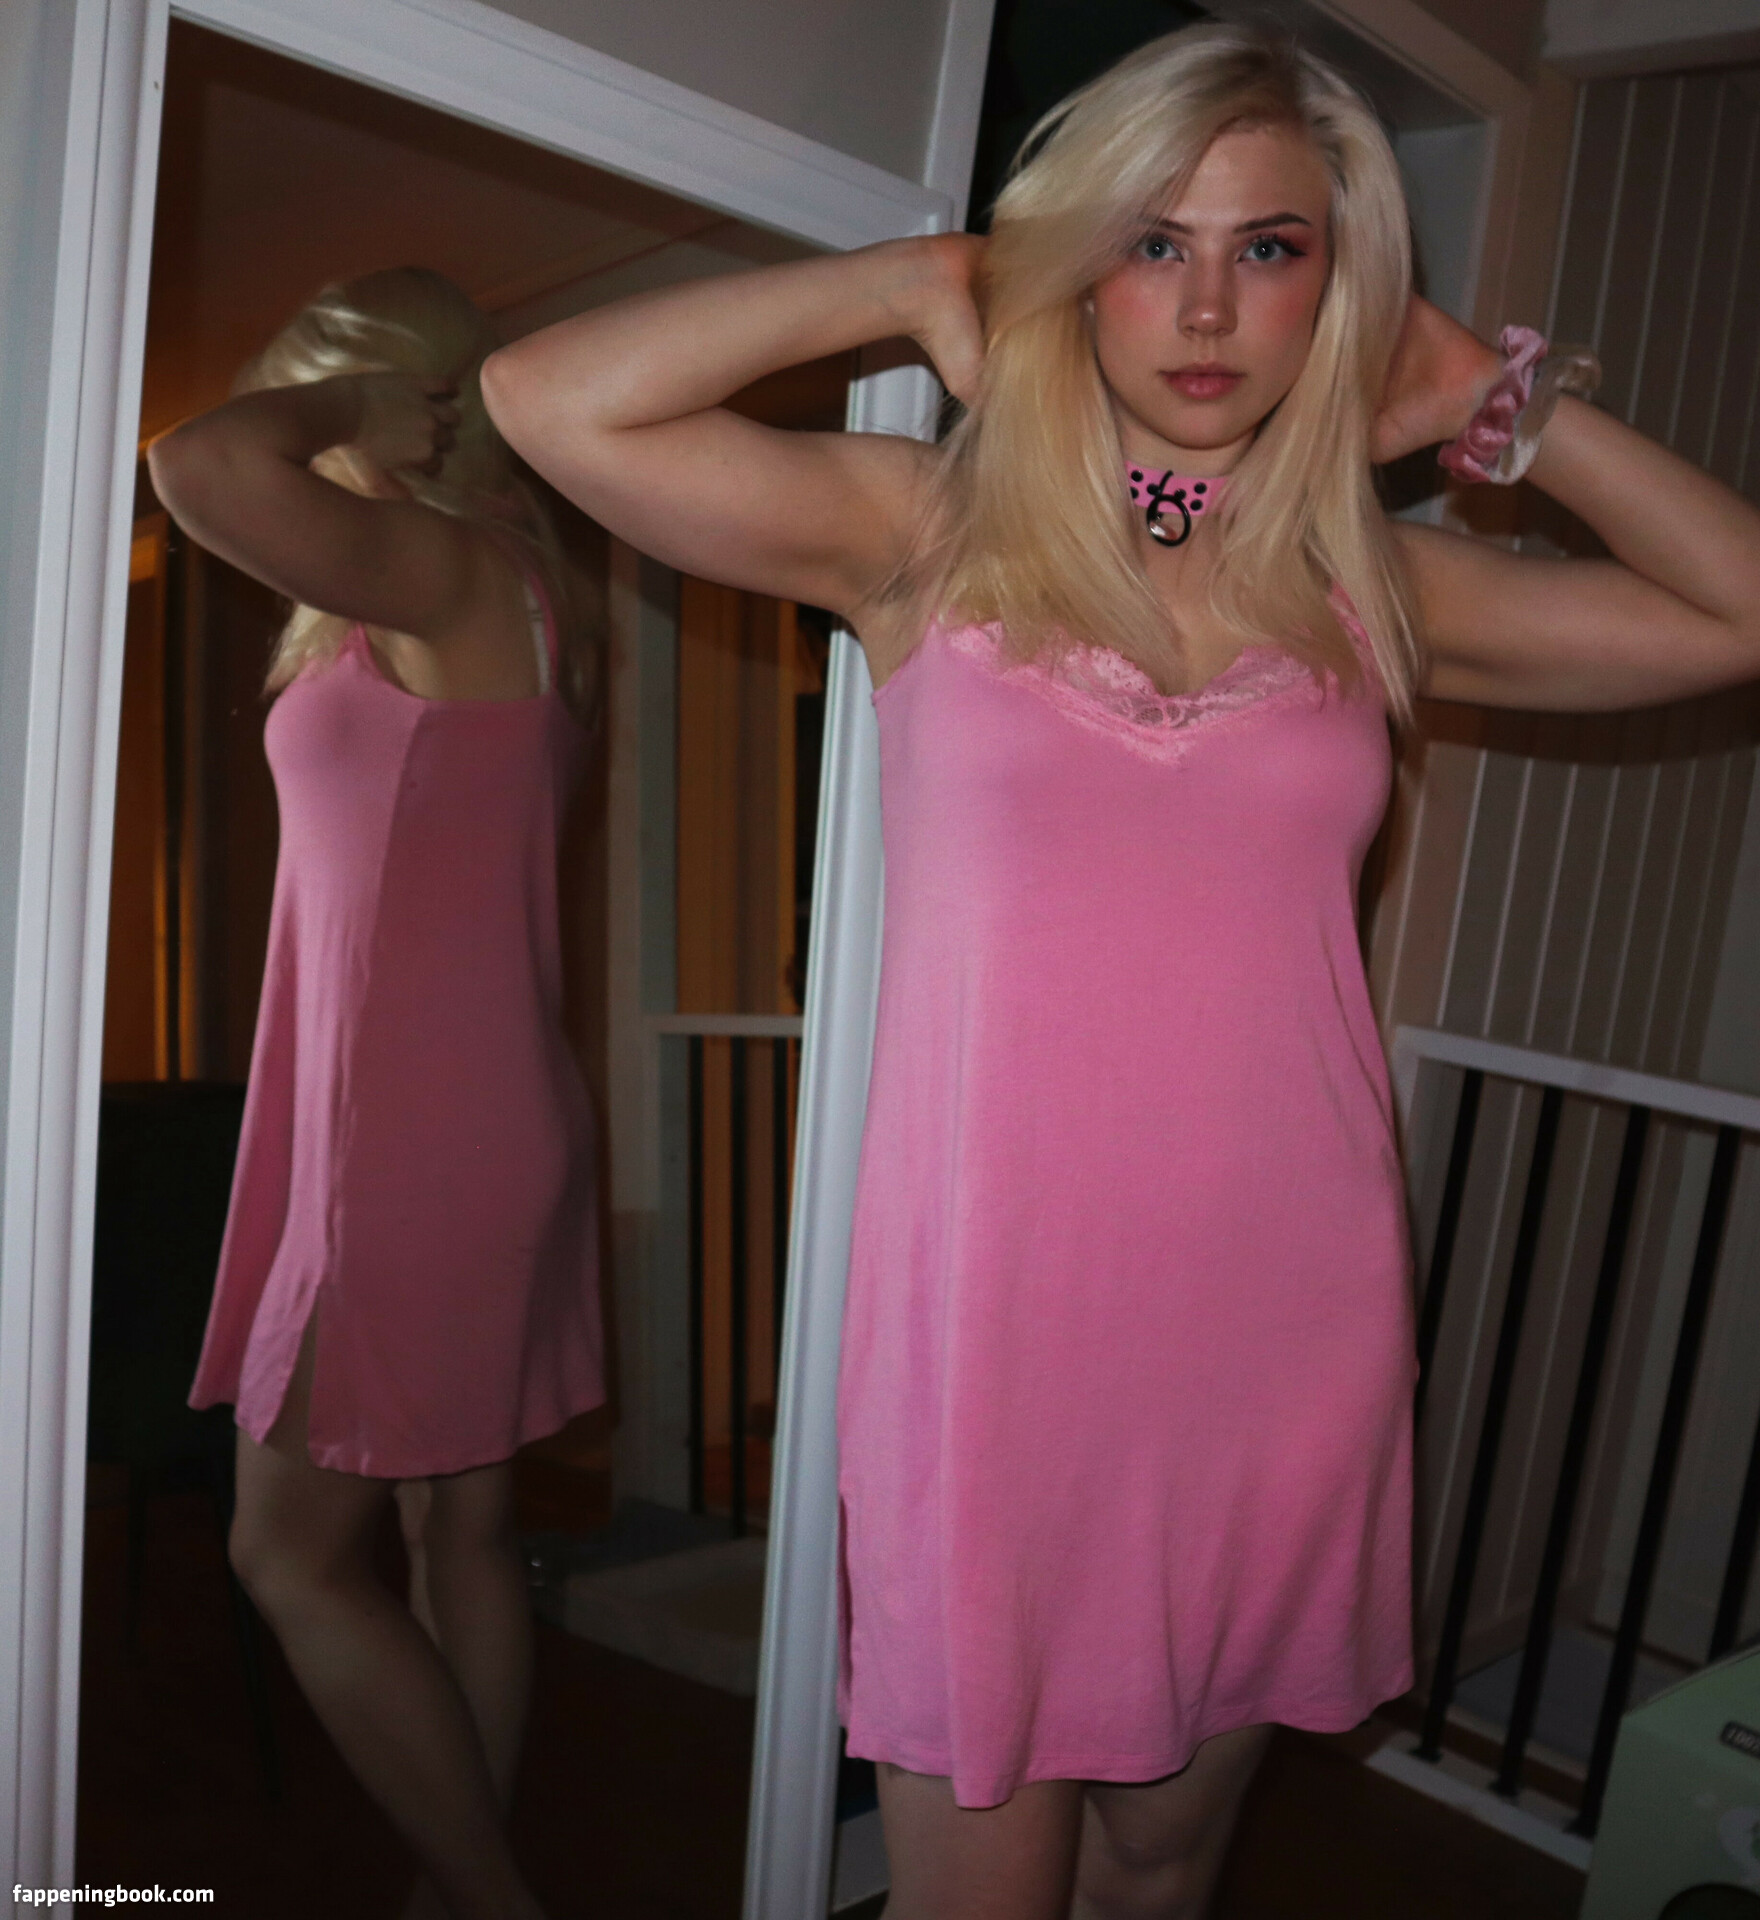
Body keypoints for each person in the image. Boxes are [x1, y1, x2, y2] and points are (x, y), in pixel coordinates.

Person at [482, 25, 1760, 1920]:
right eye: (1153, 241)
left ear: (1340, 286)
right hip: (997, 1347)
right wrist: (922, 279)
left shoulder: (1375, 590)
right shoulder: (923, 537)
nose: (1209, 305)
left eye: (1272, 247)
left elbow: (1742, 609)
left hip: (1281, 1324)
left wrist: (1508, 404)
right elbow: (545, 399)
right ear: (1076, 266)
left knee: (1161, 1866)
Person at [154, 266, 602, 1920]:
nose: (313, 437)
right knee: (457, 1534)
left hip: (408, 1137)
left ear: (396, 398)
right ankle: (450, 1888)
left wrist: (345, 412)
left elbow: (198, 465)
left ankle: (489, 1903)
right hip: (483, 1117)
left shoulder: (438, 566)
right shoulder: (521, 587)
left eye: (328, 397)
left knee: (285, 1554)